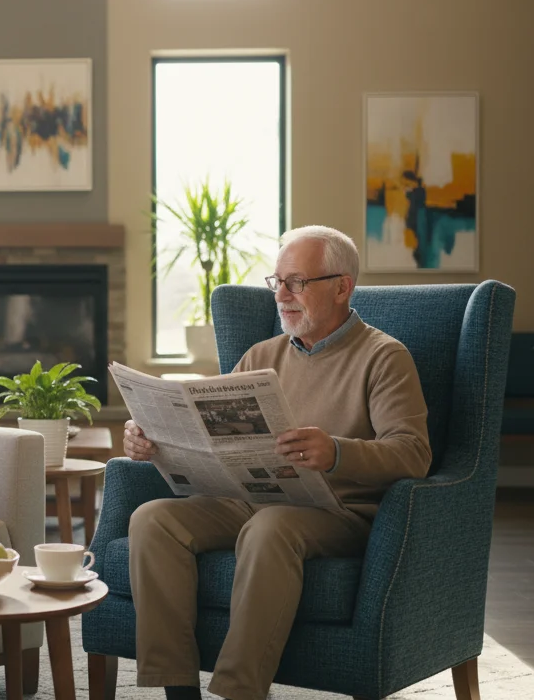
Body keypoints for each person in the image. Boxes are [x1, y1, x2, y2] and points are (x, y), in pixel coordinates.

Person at [123, 225, 431, 700]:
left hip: (339, 512)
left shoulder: (384, 357)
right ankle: (175, 687)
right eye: (277, 282)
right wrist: (152, 441)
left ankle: (238, 691)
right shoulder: (261, 356)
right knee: (153, 519)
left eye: (297, 282)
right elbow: (211, 436)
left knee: (271, 528)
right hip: (251, 499)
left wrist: (337, 451)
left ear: (341, 286)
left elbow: (413, 453)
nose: (282, 295)